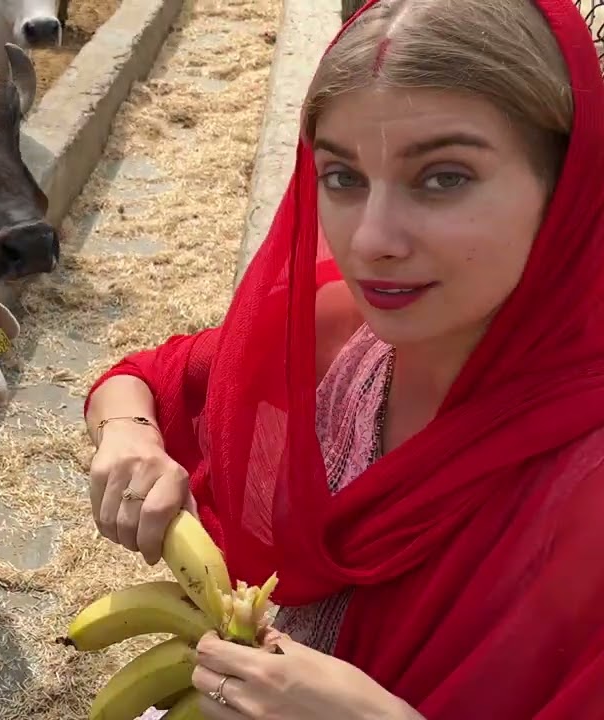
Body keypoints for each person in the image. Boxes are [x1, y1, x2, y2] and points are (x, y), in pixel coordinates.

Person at [82, 0, 604, 717]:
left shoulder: (585, 486)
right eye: (342, 177)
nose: (371, 240)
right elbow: (145, 379)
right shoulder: (331, 345)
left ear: (567, 184)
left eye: (443, 177)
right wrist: (129, 436)